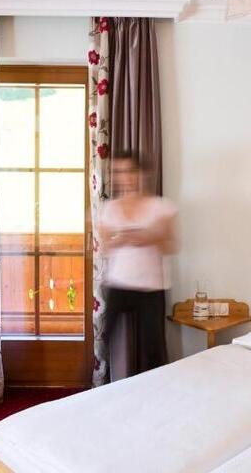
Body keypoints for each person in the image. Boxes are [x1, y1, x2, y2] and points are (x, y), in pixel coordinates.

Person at [99, 152, 177, 378]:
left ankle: (156, 388)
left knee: (153, 349)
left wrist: (151, 237)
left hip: (151, 288)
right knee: (105, 340)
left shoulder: (161, 207)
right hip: (118, 284)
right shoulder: (109, 209)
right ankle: (102, 384)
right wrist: (121, 239)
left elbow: (172, 246)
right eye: (119, 172)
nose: (125, 177)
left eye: (129, 171)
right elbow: (104, 248)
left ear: (141, 173)